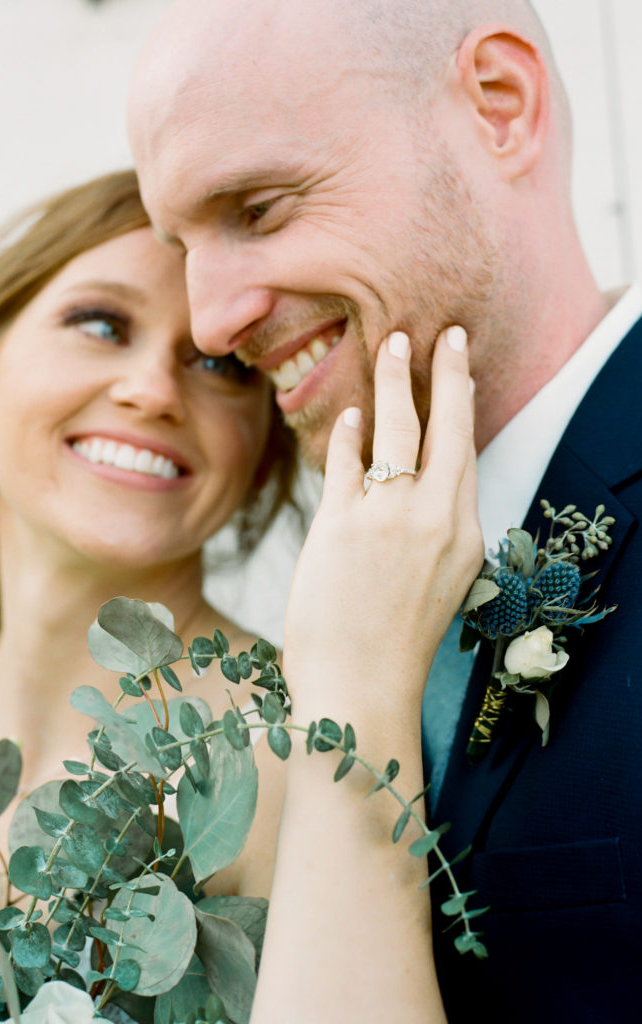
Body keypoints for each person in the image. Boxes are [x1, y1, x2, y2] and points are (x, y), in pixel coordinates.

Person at [128, 0, 642, 1020]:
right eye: (182, 243)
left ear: (500, 106)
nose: (212, 322)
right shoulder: (327, 610)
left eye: (258, 208)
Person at [0, 169, 298, 899]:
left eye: (219, 363)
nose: (153, 391)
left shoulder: (285, 752)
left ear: (262, 448)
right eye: (103, 325)